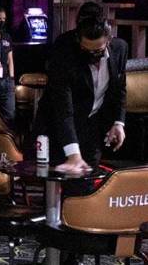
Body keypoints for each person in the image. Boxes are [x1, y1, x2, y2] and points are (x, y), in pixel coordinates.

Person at [38, 13, 127, 173]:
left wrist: (118, 122)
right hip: (58, 129)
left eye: (98, 51)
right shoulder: (65, 58)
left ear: (108, 40)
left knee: (88, 186)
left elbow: (119, 89)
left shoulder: (120, 49)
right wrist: (73, 154)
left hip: (91, 127)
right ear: (79, 42)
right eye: (87, 50)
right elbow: (63, 109)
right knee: (58, 188)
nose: (93, 56)